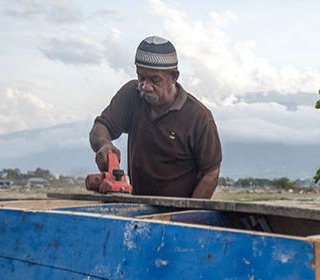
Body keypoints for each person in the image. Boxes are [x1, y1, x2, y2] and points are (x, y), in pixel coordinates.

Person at [89, 37, 221, 198]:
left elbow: (211, 172)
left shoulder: (198, 117)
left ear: (174, 77)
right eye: (141, 77)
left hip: (177, 210)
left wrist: (189, 214)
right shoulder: (132, 95)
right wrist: (104, 144)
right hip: (138, 204)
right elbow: (101, 127)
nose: (146, 86)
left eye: (154, 79)